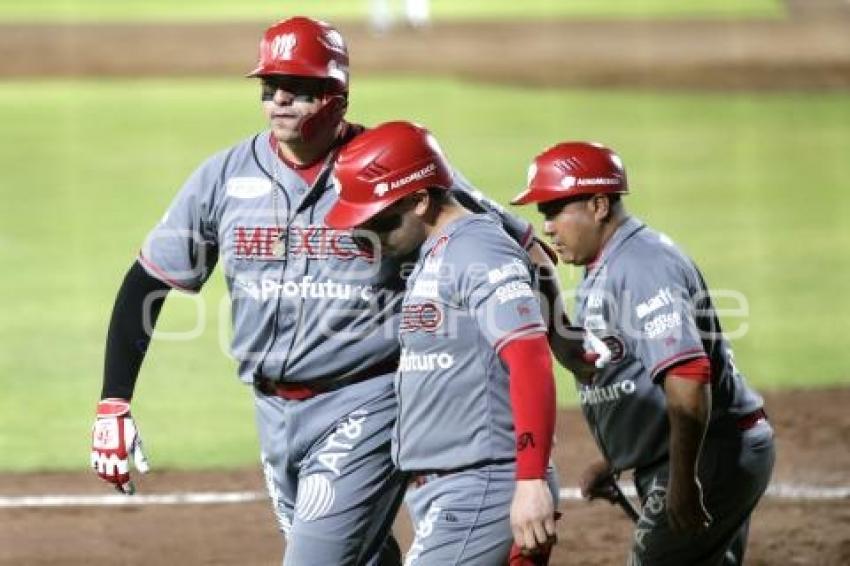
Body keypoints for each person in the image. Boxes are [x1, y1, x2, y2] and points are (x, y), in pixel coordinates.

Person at [88, 16, 559, 566]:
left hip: (368, 401)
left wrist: (558, 338)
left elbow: (522, 245)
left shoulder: (390, 165)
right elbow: (146, 280)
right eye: (270, 88)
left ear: (338, 95)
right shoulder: (223, 178)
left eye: (300, 88)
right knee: (360, 555)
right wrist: (113, 401)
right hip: (272, 412)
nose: (280, 100)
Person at [511, 141, 776, 565]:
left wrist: (684, 479)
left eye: (555, 209)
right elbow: (593, 361)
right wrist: (618, 459)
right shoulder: (606, 264)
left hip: (710, 453)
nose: (547, 226)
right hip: (698, 451)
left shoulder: (641, 266)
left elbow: (687, 377)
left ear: (599, 205)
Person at [326, 120, 559, 565]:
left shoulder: (478, 250)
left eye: (380, 220)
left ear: (419, 200)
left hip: (483, 486)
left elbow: (530, 358)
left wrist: (530, 483)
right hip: (458, 488)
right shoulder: (437, 251)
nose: (368, 234)